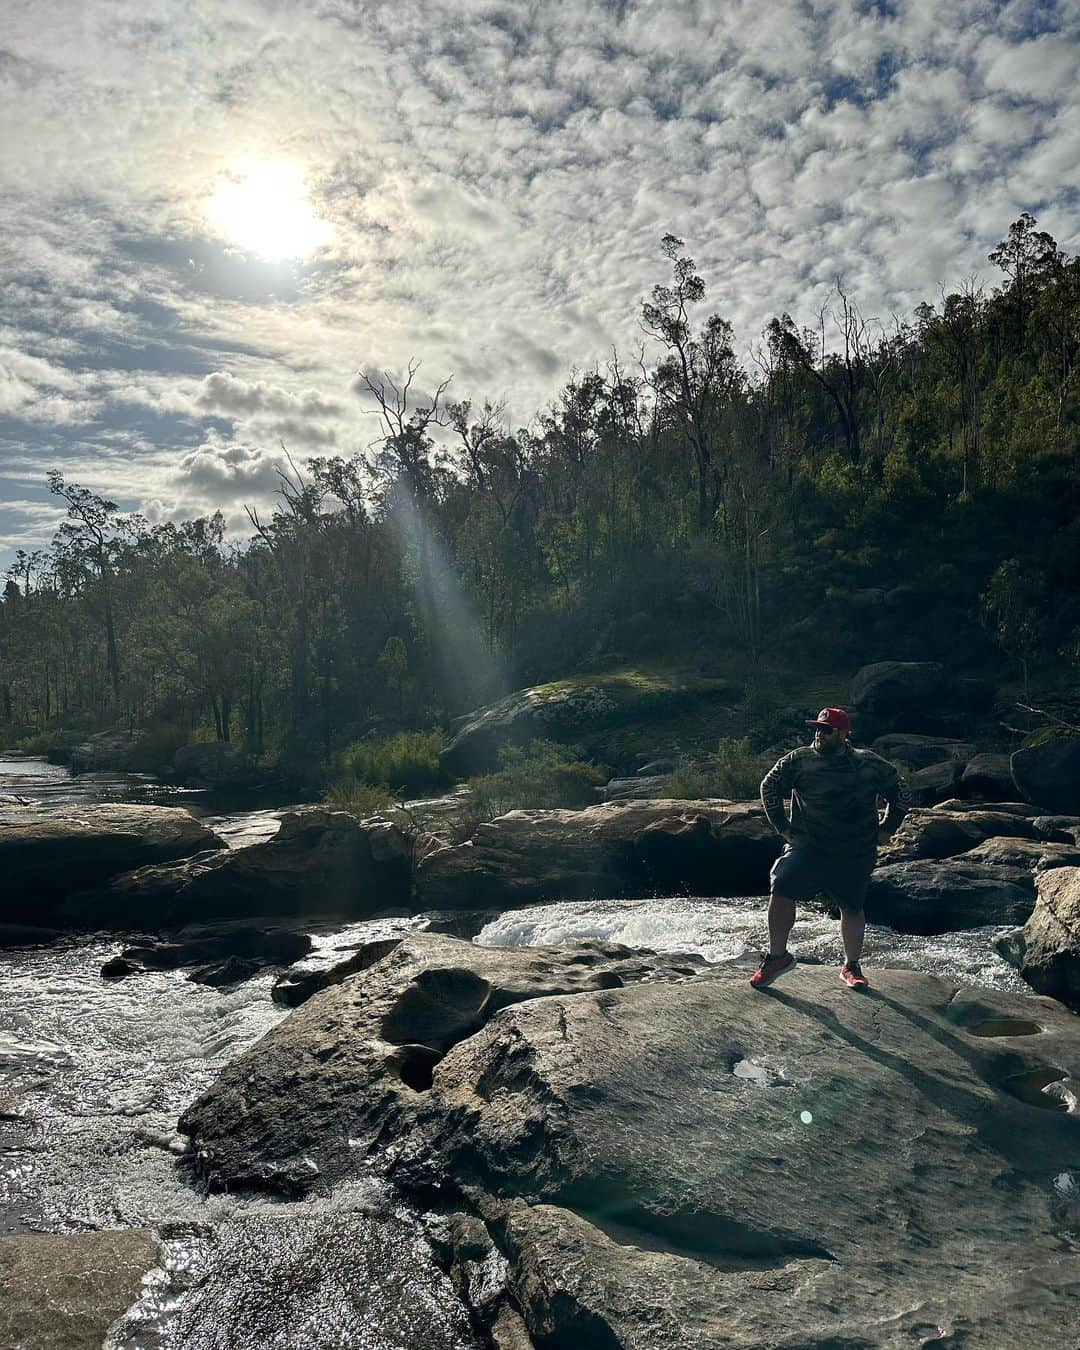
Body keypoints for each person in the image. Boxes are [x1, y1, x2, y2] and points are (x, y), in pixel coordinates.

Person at [751, 706, 910, 991]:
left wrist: (888, 828)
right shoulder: (799, 759)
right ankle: (777, 957)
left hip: (855, 850)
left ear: (844, 733)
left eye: (827, 730)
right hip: (808, 846)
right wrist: (782, 827)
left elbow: (901, 792)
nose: (819, 734)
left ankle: (852, 966)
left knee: (851, 906)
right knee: (782, 885)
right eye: (817, 728)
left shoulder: (869, 763)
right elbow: (769, 786)